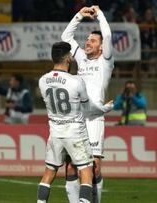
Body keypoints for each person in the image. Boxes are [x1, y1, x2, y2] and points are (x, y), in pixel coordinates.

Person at [61, 5, 114, 203]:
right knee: (71, 166)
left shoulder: (105, 62)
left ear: (101, 47)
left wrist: (99, 14)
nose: (87, 42)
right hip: (76, 118)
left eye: (92, 40)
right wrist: (79, 16)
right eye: (87, 39)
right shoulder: (82, 59)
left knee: (94, 166)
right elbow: (66, 37)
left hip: (94, 119)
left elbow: (107, 36)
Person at [37, 41, 94, 203]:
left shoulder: (42, 80)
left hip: (55, 132)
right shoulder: (76, 81)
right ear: (68, 58)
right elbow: (86, 106)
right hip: (75, 132)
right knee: (86, 170)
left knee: (49, 172)